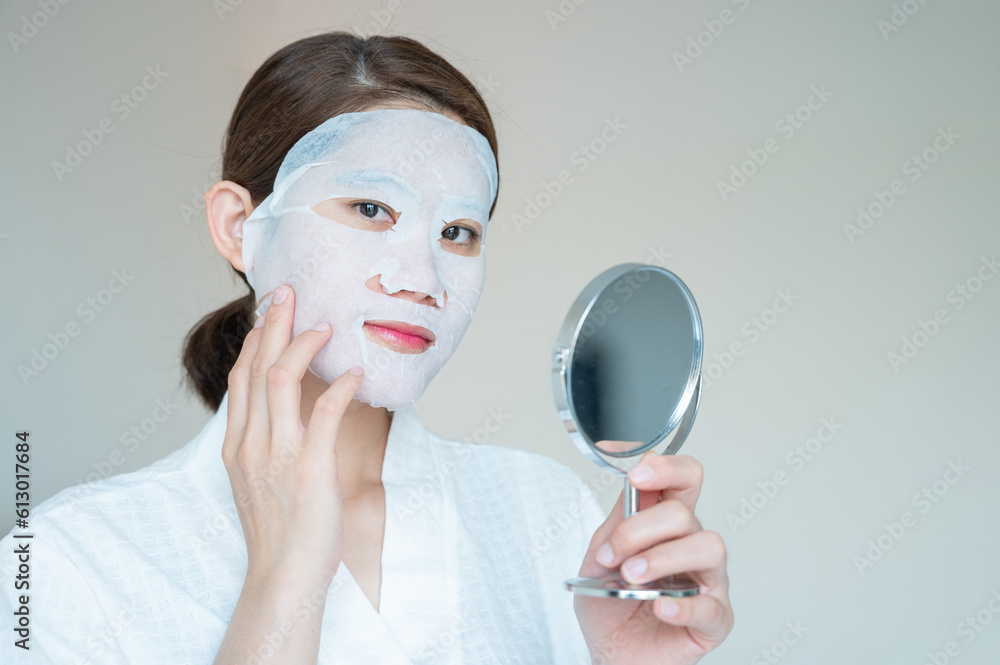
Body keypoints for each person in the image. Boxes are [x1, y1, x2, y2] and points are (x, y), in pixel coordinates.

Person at [0, 31, 733, 664]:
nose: (422, 279)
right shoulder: (67, 564)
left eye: (458, 232)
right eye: (371, 209)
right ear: (239, 225)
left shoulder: (552, 520)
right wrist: (283, 581)